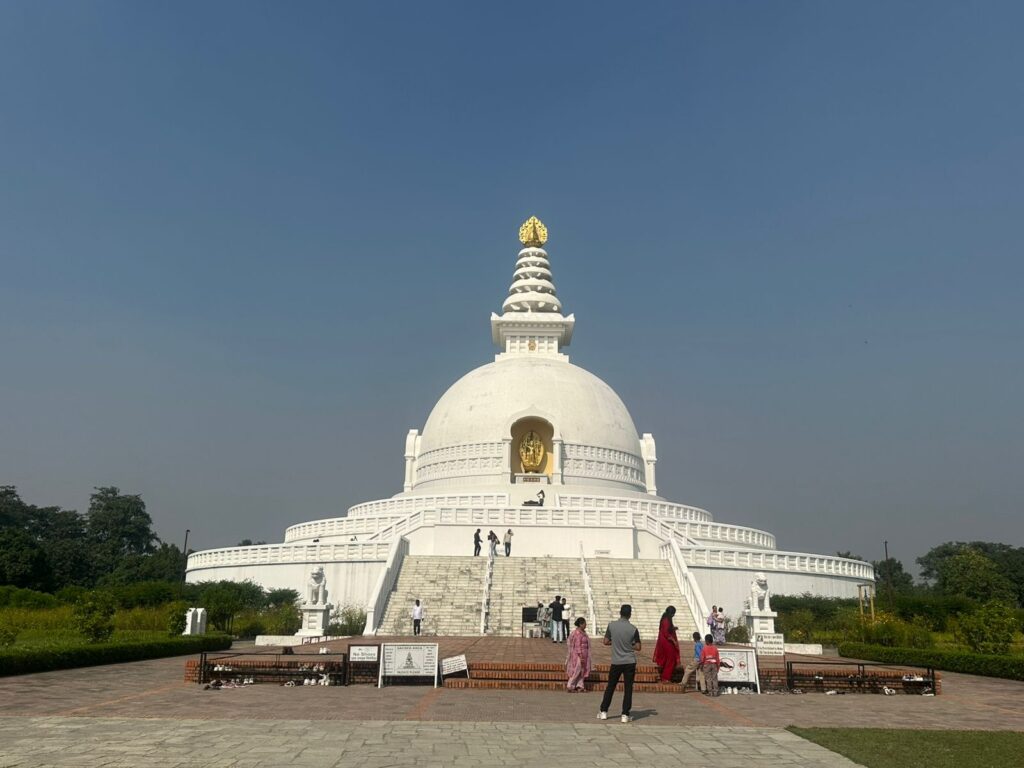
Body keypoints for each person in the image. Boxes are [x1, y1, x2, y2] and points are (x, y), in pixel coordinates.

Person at [598, 604, 641, 723]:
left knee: (610, 686)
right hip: (629, 661)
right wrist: (629, 645)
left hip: (616, 661)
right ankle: (625, 714)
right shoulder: (633, 629)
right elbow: (638, 647)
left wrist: (615, 642)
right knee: (628, 688)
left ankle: (603, 711)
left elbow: (605, 641)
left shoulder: (611, 625)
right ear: (630, 614)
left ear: (620, 613)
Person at [652, 605, 680, 683]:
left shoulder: (665, 619)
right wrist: (673, 641)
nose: (673, 615)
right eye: (673, 613)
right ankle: (665, 677)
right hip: (667, 642)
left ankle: (665, 676)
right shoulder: (666, 620)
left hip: (664, 642)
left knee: (668, 659)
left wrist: (673, 629)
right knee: (671, 659)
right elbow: (666, 633)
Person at [565, 617, 592, 692]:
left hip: (585, 653)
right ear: (580, 624)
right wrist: (580, 655)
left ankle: (580, 685)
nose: (585, 625)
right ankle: (570, 685)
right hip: (578, 655)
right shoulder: (577, 633)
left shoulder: (583, 633)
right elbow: (577, 645)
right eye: (584, 624)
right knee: (577, 670)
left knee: (582, 670)